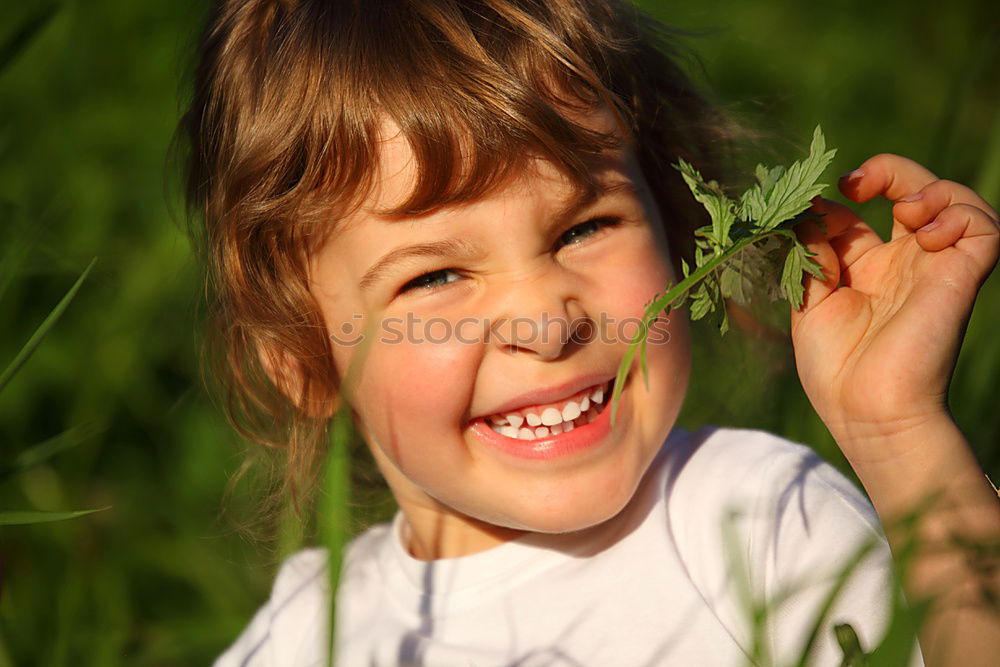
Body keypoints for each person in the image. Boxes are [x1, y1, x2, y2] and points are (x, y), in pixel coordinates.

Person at [181, 1, 1000, 665]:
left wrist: (896, 431)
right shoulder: (307, 638)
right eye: (433, 276)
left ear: (676, 228)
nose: (548, 320)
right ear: (303, 361)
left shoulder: (758, 519)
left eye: (584, 227)